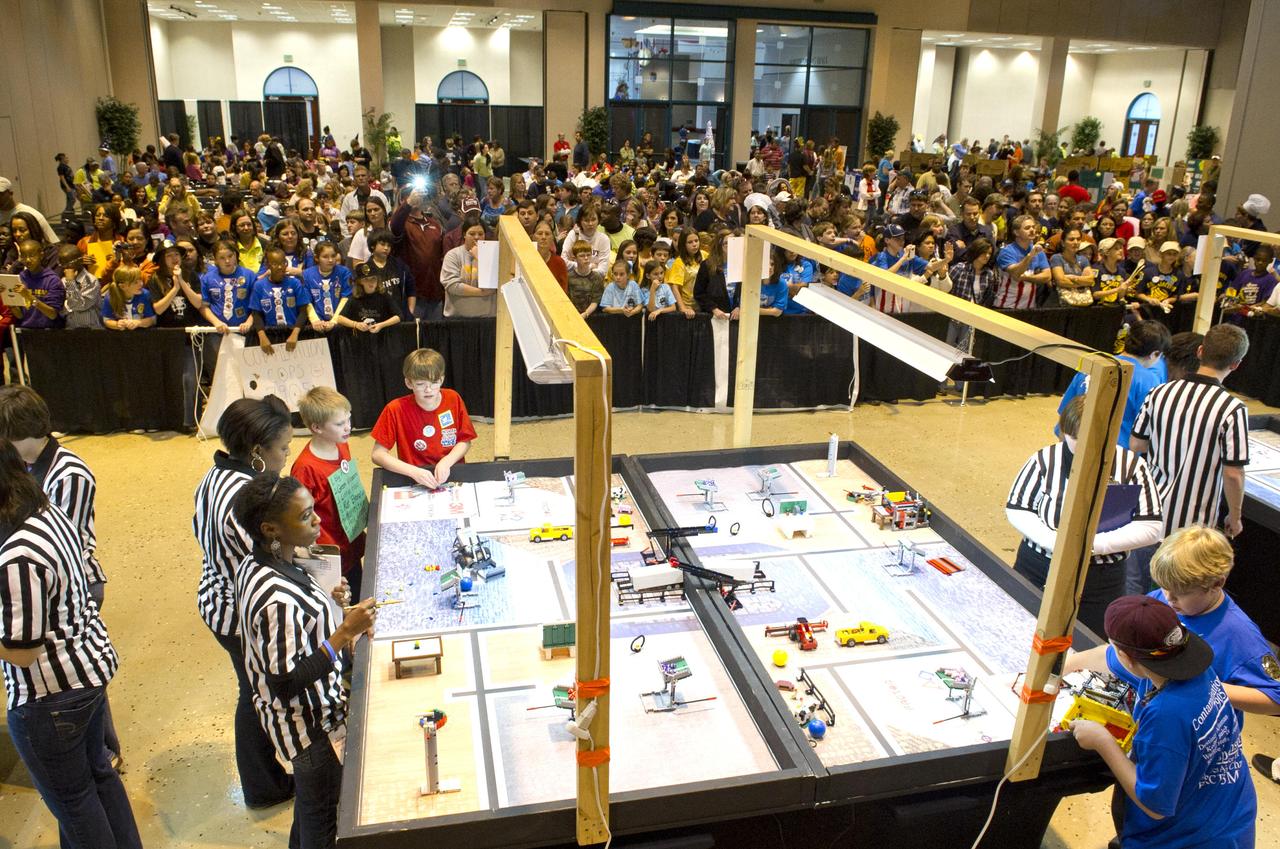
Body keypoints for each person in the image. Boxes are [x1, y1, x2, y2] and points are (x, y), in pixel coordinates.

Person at [0, 439, 142, 849]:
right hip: (88, 669)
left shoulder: (17, 556)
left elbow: (24, 651)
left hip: (50, 695)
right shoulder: (46, 511)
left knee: (73, 801)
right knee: (99, 775)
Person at [231, 473, 376, 849]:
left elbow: (302, 625)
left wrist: (332, 600)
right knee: (323, 818)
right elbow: (286, 680)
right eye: (306, 516)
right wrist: (344, 632)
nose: (318, 522)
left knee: (312, 808)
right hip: (310, 729)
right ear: (270, 528)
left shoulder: (269, 560)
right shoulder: (274, 596)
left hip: (312, 719)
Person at [1063, 595, 1256, 849]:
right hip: (1229, 810)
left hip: (1188, 837)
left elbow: (1155, 805)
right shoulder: (1192, 666)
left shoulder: (1166, 715)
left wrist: (1103, 742)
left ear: (1127, 656)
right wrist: (1066, 664)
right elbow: (1107, 658)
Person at [193, 395, 296, 810]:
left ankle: (262, 779)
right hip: (241, 612)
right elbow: (268, 559)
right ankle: (262, 785)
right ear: (258, 451)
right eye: (284, 449)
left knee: (251, 690)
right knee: (256, 696)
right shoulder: (254, 493)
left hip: (216, 598)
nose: (287, 457)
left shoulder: (213, 476)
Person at [1006, 395, 1163, 635]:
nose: (1080, 446)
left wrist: (1092, 545)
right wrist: (1055, 542)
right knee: (1019, 630)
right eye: (1073, 437)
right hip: (1038, 567)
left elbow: (1151, 526)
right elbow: (1018, 507)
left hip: (1101, 579)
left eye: (1090, 438)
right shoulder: (1044, 460)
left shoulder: (1131, 466)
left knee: (1087, 641)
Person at [1129, 323, 1250, 595]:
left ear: (1200, 351)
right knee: (1175, 592)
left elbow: (1137, 443)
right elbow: (1233, 473)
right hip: (1191, 525)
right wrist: (1235, 515)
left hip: (1149, 509)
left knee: (1135, 585)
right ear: (1236, 364)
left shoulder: (1160, 393)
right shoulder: (1232, 409)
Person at [291, 387, 368, 596]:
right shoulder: (305, 469)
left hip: (349, 541)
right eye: (340, 424)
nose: (348, 427)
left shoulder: (341, 445)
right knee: (343, 604)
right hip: (330, 553)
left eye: (348, 420)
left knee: (359, 589)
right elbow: (300, 519)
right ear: (316, 427)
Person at [371, 348, 476, 488]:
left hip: (452, 473)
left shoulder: (453, 398)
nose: (428, 389)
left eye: (434, 382)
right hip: (414, 479)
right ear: (409, 383)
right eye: (420, 384)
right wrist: (413, 471)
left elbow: (465, 441)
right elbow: (378, 454)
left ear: (441, 379)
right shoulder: (394, 409)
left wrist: (447, 461)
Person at [1058, 320, 1170, 448]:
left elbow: (1065, 414)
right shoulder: (1149, 381)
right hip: (1117, 455)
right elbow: (1148, 428)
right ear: (1154, 354)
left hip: (1073, 444)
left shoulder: (1094, 364)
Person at [250, 248, 310, 355]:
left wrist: (295, 334)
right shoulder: (259, 286)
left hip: (294, 332)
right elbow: (256, 314)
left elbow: (303, 311)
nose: (280, 267)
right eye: (274, 264)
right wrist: (262, 337)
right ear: (267, 265)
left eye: (283, 263)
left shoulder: (295, 283)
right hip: (270, 334)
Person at [441, 216, 497, 318]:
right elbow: (452, 286)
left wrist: (480, 258)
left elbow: (492, 284)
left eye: (480, 234)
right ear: (464, 235)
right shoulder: (453, 255)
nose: (476, 237)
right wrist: (482, 293)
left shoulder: (493, 255)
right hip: (457, 318)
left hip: (487, 317)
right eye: (472, 234)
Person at [991, 215, 1051, 310]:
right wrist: (1029, 256)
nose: (1032, 230)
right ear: (1016, 232)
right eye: (1027, 228)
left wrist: (1026, 278)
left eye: (1033, 227)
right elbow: (1016, 273)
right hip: (1006, 306)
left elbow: (1047, 276)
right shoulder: (1007, 251)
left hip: (1029, 308)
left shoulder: (1038, 251)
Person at [200, 239, 256, 335]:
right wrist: (216, 322)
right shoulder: (207, 278)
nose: (227, 261)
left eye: (230, 256)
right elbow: (203, 306)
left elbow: (257, 306)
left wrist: (249, 322)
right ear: (215, 259)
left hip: (244, 329)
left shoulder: (249, 276)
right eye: (222, 258)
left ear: (235, 255)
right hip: (217, 330)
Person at [14, 240, 66, 329]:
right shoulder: (21, 278)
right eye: (24, 256)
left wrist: (29, 296)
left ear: (41, 255)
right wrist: (9, 300)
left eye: (32, 256)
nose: (28, 260)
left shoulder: (52, 280)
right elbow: (20, 315)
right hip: (25, 330)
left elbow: (52, 314)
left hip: (47, 331)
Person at [337, 264, 401, 334]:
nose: (370, 282)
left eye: (373, 278)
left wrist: (381, 325)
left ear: (378, 280)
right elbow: (340, 318)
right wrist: (356, 324)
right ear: (360, 282)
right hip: (359, 340)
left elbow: (398, 316)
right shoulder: (354, 298)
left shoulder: (384, 296)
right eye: (366, 279)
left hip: (382, 338)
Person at [303, 242, 351, 332]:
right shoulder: (307, 274)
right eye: (325, 257)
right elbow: (306, 301)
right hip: (316, 324)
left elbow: (346, 298)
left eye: (333, 256)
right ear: (317, 258)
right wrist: (315, 320)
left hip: (340, 323)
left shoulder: (344, 272)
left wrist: (334, 321)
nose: (330, 260)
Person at [57, 243, 105, 329]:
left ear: (80, 260)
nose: (65, 267)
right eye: (62, 264)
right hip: (71, 328)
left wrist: (71, 283)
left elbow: (81, 305)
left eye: (68, 263)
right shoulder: (63, 281)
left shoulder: (90, 280)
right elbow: (60, 310)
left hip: (91, 330)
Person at [101, 265, 156, 331]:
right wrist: (117, 324)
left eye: (140, 280)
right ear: (123, 286)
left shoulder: (145, 295)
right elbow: (106, 320)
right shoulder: (110, 297)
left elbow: (152, 320)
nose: (141, 284)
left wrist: (138, 323)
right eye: (135, 282)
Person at [566, 240, 605, 317]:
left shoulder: (596, 277)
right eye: (582, 256)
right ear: (574, 257)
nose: (586, 258)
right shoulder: (568, 277)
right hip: (572, 315)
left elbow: (595, 301)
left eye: (588, 255)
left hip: (592, 316)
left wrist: (586, 314)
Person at [534, 220, 568, 292]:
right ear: (533, 237)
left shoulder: (559, 263)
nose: (543, 237)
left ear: (552, 238)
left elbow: (563, 292)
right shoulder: (526, 259)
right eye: (540, 233)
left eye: (547, 234)